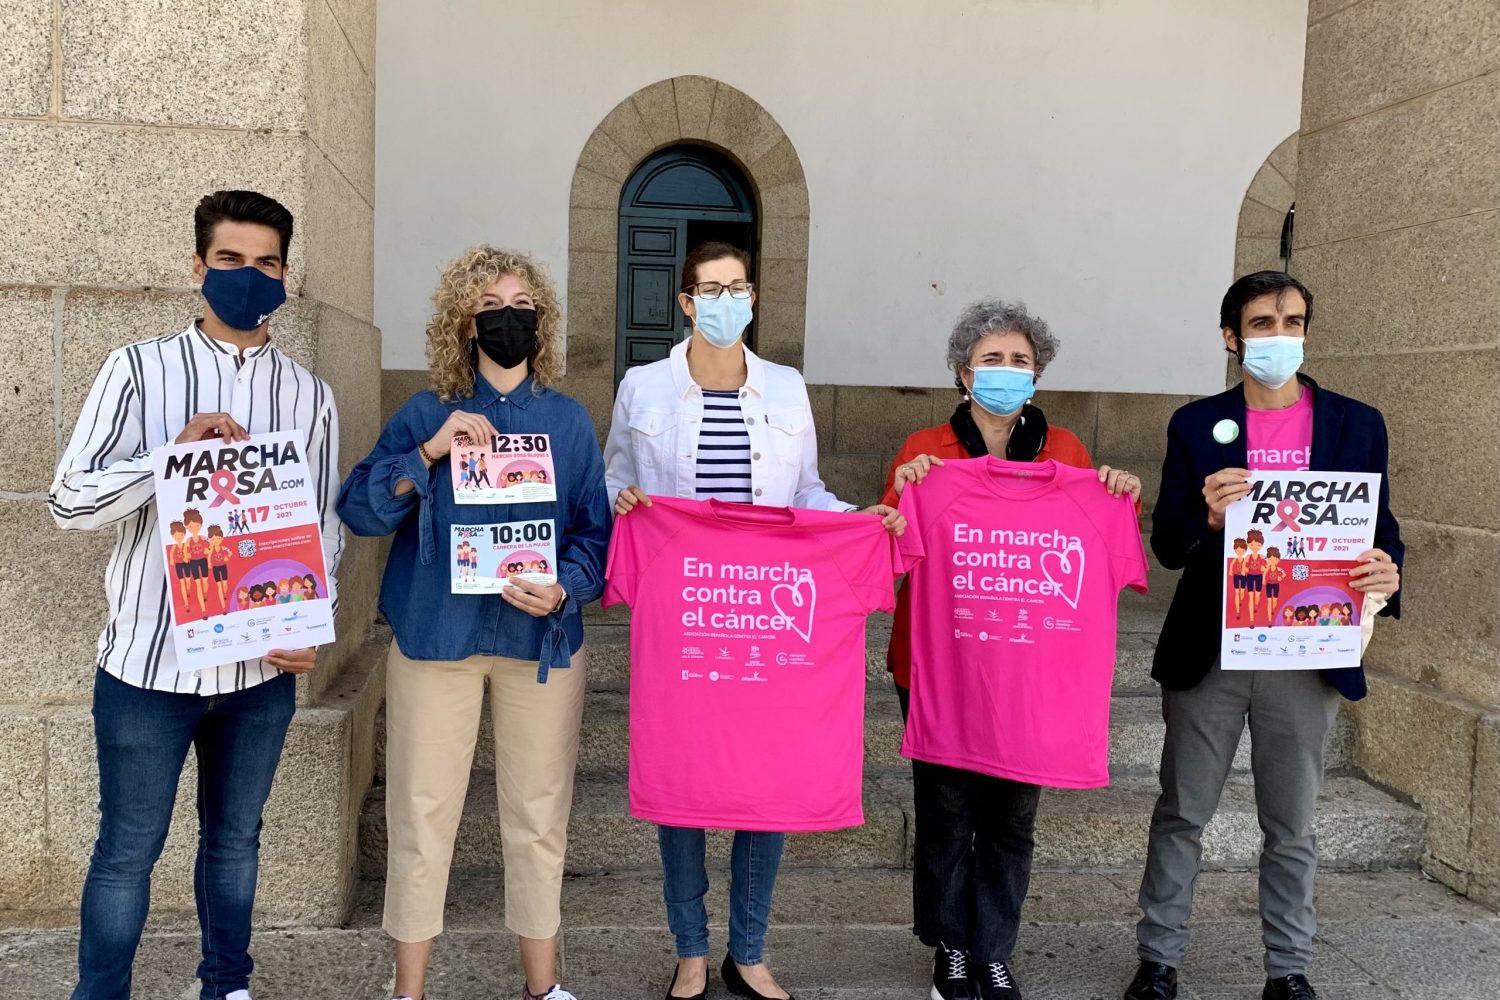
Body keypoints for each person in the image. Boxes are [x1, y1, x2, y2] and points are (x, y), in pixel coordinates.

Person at [49, 190, 342, 1000]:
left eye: (266, 262)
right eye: (230, 259)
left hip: (259, 675)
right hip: (151, 668)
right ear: (197, 267)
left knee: (237, 841)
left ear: (286, 274)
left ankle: (227, 985)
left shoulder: (309, 396)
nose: (249, 275)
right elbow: (68, 500)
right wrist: (165, 462)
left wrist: (316, 621)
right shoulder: (137, 369)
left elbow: (320, 526)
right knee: (127, 850)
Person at [604, 240, 903, 1000]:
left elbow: (804, 491)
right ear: (685, 302)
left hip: (767, 612)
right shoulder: (644, 386)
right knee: (681, 778)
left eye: (737, 287)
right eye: (710, 288)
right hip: (687, 611)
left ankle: (751, 947)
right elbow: (615, 479)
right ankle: (690, 950)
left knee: (764, 778)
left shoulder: (785, 386)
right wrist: (624, 504)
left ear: (753, 297)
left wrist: (859, 521)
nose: (725, 300)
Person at [338, 245, 610, 1000]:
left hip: (539, 642)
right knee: (422, 814)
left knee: (538, 812)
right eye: (494, 305)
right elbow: (359, 509)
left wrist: (567, 588)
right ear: (465, 321)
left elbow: (595, 532)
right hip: (437, 637)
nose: (510, 318)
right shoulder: (425, 412)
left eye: (524, 306)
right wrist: (426, 451)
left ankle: (541, 986)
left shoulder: (566, 420)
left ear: (542, 321)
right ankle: (409, 989)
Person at [1123, 271, 1402, 1000]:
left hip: (1306, 649)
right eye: (1263, 323)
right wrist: (1209, 521)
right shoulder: (1195, 423)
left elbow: (1382, 530)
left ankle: (1289, 970)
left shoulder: (1357, 422)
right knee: (1183, 810)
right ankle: (1158, 961)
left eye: (1292, 321)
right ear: (1231, 336)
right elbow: (1169, 542)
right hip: (1213, 647)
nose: (1280, 336)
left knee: (1293, 823)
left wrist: (1386, 569)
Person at [880, 298, 1141, 1000]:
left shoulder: (1070, 457)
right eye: (991, 360)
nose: (1006, 371)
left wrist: (1118, 494)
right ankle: (951, 949)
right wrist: (900, 493)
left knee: (1011, 818)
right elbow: (890, 550)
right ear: (964, 374)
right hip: (940, 669)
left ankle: (994, 947)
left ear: (1038, 375)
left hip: (1032, 674)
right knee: (946, 812)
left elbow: (1098, 553)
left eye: (1019, 361)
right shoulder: (923, 451)